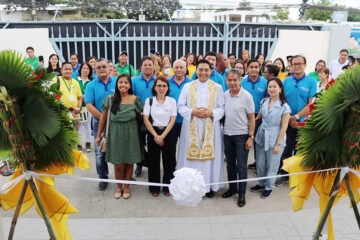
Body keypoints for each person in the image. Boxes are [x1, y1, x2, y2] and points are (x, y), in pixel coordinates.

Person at [177, 59, 225, 198]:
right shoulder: (187, 87)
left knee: (208, 159)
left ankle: (208, 186)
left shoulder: (217, 87)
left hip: (211, 126)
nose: (203, 73)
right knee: (192, 158)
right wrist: (192, 112)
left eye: (206, 70)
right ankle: (190, 187)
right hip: (192, 125)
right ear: (195, 70)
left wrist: (212, 113)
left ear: (211, 71)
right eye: (200, 70)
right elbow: (181, 106)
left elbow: (222, 108)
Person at [96, 74, 143, 199]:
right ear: (117, 84)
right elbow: (103, 118)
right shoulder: (110, 99)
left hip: (131, 134)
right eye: (120, 82)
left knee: (129, 162)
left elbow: (141, 116)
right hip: (115, 134)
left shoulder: (135, 99)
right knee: (118, 164)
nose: (123, 85)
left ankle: (126, 187)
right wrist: (98, 136)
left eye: (126, 83)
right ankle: (118, 187)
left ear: (129, 86)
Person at [279, 55, 317, 184]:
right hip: (287, 120)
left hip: (302, 122)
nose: (297, 66)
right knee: (287, 147)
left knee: (299, 148)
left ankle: (297, 174)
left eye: (300, 63)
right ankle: (285, 173)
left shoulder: (311, 82)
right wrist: (289, 117)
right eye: (294, 64)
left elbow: (310, 104)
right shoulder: (286, 81)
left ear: (305, 65)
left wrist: (296, 117)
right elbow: (283, 101)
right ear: (291, 66)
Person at [251, 77, 291, 198]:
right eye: (270, 86)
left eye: (274, 86)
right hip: (262, 136)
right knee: (260, 162)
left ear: (280, 89)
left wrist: (278, 144)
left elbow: (284, 127)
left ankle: (269, 186)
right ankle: (261, 183)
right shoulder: (264, 102)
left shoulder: (285, 107)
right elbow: (258, 118)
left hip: (275, 137)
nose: (272, 89)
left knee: (272, 164)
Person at [222, 70, 255, 207]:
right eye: (229, 80)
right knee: (230, 164)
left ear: (240, 80)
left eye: (235, 80)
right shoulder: (225, 95)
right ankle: (232, 188)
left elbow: (252, 117)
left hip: (242, 136)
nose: (232, 83)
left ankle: (242, 193)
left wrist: (250, 136)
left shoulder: (246, 96)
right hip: (227, 135)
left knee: (241, 166)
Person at [85, 58, 116, 190]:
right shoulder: (91, 85)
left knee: (120, 149)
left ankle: (124, 177)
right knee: (99, 152)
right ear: (95, 70)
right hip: (99, 121)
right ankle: (103, 177)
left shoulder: (117, 82)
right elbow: (89, 105)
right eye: (98, 67)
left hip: (117, 121)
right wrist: (103, 117)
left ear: (110, 68)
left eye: (104, 66)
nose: (102, 69)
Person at [143, 76, 177, 197]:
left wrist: (162, 136)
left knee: (169, 161)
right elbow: (146, 120)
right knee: (153, 161)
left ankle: (168, 187)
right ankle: (154, 187)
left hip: (168, 132)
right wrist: (156, 136)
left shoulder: (172, 101)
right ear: (155, 87)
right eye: (159, 85)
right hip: (153, 132)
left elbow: (172, 120)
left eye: (164, 86)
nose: (161, 88)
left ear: (167, 88)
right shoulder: (149, 101)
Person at [240, 59, 268, 170]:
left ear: (260, 68)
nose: (254, 69)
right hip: (244, 115)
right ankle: (242, 164)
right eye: (251, 67)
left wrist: (260, 115)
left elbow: (267, 99)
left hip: (258, 116)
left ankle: (258, 164)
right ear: (247, 68)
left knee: (257, 141)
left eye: (256, 67)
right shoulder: (242, 82)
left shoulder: (265, 82)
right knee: (243, 140)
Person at [132, 56, 156, 176]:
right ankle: (139, 164)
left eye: (150, 65)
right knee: (139, 143)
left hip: (154, 117)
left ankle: (152, 164)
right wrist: (138, 111)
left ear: (153, 67)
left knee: (153, 142)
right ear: (141, 67)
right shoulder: (134, 81)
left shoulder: (157, 81)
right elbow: (131, 98)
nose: (148, 67)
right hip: (139, 117)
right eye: (145, 65)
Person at [168, 59, 192, 143]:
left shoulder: (192, 83)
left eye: (181, 67)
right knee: (170, 149)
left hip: (186, 121)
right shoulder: (166, 83)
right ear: (172, 69)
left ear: (185, 69)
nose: (179, 69)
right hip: (170, 121)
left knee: (186, 147)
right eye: (176, 67)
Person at [54, 62, 83, 127]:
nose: (68, 71)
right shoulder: (56, 80)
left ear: (72, 71)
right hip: (61, 115)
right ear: (61, 70)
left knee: (74, 135)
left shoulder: (75, 82)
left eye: (70, 69)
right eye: (66, 69)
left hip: (74, 115)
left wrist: (79, 107)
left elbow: (79, 97)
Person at [76, 62, 93, 152]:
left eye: (87, 69)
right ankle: (78, 143)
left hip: (88, 107)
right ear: (80, 69)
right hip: (78, 107)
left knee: (87, 124)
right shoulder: (75, 80)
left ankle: (88, 143)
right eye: (84, 68)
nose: (86, 70)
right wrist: (79, 97)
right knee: (79, 125)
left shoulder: (91, 82)